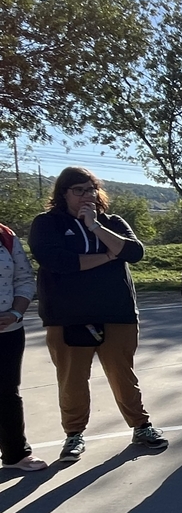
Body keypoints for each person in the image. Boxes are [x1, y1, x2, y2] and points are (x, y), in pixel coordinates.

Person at [28, 167, 168, 461]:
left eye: (90, 189)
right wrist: (107, 256)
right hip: (68, 316)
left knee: (123, 375)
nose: (86, 195)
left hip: (116, 312)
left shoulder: (112, 221)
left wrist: (95, 227)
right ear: (63, 194)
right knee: (73, 380)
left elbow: (133, 252)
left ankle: (141, 427)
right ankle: (74, 435)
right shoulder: (47, 223)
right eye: (78, 190)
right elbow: (58, 261)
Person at [0, 224, 47, 471]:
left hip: (8, 331)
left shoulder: (5, 236)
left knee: (7, 393)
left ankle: (15, 454)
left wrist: (16, 312)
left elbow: (24, 278)